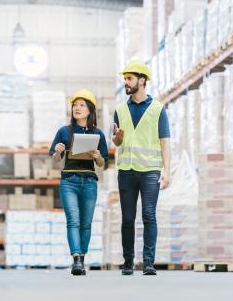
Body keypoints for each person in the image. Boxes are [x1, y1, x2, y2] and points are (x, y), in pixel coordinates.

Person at [113, 61, 170, 276]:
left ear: (142, 80)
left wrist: (167, 171)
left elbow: (165, 142)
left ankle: (148, 262)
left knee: (149, 215)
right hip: (126, 170)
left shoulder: (158, 110)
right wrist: (117, 139)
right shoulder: (119, 110)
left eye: (129, 78)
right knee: (128, 217)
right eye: (125, 78)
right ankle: (128, 261)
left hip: (150, 171)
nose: (125, 82)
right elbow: (117, 142)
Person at [50, 89, 108, 276]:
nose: (77, 108)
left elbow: (102, 163)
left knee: (86, 224)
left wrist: (97, 156)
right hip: (69, 181)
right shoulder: (64, 131)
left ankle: (82, 258)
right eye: (75, 105)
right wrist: (58, 151)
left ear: (90, 110)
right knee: (73, 221)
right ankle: (76, 259)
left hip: (90, 181)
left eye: (82, 105)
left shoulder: (97, 134)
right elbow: (55, 160)